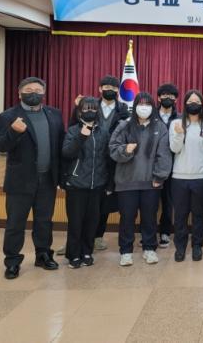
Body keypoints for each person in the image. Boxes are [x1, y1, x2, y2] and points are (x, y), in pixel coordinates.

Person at [0, 76, 64, 279]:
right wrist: (13, 132)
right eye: (29, 90)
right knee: (15, 224)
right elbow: (0, 145)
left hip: (47, 180)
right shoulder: (8, 116)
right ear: (19, 93)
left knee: (44, 222)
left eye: (38, 90)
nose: (34, 93)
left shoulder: (54, 114)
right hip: (20, 181)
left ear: (44, 93)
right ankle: (12, 261)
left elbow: (60, 145)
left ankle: (43, 255)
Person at [62, 75, 129, 254]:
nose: (110, 90)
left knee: (103, 203)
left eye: (114, 87)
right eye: (106, 86)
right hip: (83, 161)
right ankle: (73, 245)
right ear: (100, 89)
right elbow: (74, 128)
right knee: (77, 214)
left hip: (108, 160)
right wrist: (76, 108)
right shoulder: (90, 105)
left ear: (118, 90)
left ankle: (97, 237)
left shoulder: (123, 109)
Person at [109, 92, 173, 266]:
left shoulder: (160, 127)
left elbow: (164, 155)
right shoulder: (124, 125)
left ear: (153, 107)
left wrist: (159, 176)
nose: (144, 107)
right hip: (126, 182)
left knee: (149, 218)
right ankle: (126, 251)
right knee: (127, 218)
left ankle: (149, 248)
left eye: (147, 104)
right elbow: (113, 149)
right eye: (140, 104)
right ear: (135, 106)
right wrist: (125, 150)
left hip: (150, 182)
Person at [61, 96, 111, 269]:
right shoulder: (73, 130)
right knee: (76, 222)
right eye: (86, 108)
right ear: (79, 111)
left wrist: (108, 182)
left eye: (94, 108)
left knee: (92, 222)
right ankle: (73, 254)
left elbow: (107, 158)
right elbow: (67, 153)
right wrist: (81, 137)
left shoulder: (103, 132)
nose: (90, 111)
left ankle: (87, 252)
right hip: (76, 185)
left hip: (97, 185)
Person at [169, 90, 203, 262]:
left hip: (201, 178)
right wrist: (179, 134)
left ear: (202, 104)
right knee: (180, 215)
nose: (193, 104)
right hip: (179, 178)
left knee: (199, 214)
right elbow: (174, 149)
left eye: (197, 101)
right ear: (185, 104)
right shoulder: (176, 123)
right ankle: (180, 247)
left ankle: (197, 246)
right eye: (190, 101)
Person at [156, 83, 181, 249]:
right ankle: (147, 232)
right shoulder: (150, 116)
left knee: (168, 202)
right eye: (164, 95)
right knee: (150, 202)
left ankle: (165, 231)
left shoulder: (180, 118)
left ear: (176, 99)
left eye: (171, 96)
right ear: (158, 98)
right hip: (152, 166)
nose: (167, 98)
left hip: (174, 166)